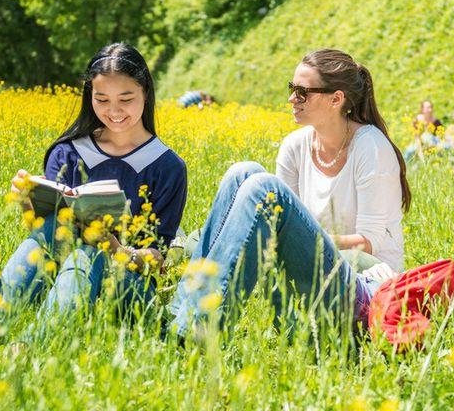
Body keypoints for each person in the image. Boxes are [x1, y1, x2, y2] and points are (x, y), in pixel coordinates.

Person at [168, 48, 410, 338]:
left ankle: (200, 328)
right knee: (242, 173)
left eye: (302, 92)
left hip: (364, 289)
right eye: (291, 88)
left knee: (263, 188)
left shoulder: (371, 147)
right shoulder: (296, 146)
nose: (291, 99)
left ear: (336, 99)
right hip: (309, 276)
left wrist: (307, 238)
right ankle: (180, 316)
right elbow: (280, 222)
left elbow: (371, 242)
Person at [0, 43, 187, 329]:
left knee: (90, 252)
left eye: (125, 99)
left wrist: (116, 250)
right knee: (64, 230)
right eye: (101, 99)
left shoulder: (167, 166)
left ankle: (31, 345)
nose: (113, 111)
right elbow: (44, 237)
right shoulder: (67, 152)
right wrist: (25, 203)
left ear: (145, 93)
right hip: (62, 274)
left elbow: (157, 258)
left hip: (127, 287)